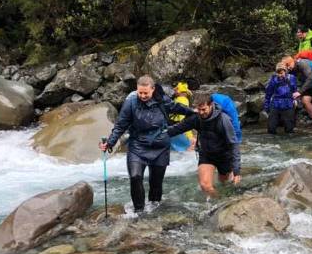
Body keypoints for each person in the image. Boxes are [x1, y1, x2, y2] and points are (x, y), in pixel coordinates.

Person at [99, 75, 193, 214]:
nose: (142, 95)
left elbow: (179, 109)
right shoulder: (130, 103)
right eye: (140, 92)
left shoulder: (162, 100)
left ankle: (154, 210)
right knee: (135, 177)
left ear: (153, 89)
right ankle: (139, 212)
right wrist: (109, 143)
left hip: (160, 146)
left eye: (146, 93)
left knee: (156, 183)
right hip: (137, 146)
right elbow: (120, 126)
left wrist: (195, 114)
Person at [166, 93, 241, 198]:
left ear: (211, 105)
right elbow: (177, 129)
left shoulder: (223, 120)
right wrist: (156, 135)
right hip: (206, 155)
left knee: (225, 184)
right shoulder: (196, 117)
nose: (201, 113)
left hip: (224, 156)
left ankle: (227, 200)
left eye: (204, 109)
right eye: (199, 109)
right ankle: (219, 202)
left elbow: (233, 144)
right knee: (205, 185)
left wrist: (236, 170)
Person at [281, 55, 312, 130]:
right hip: (309, 82)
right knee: (305, 100)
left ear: (292, 62)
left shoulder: (302, 63)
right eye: (286, 66)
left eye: (288, 65)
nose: (287, 67)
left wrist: (300, 92)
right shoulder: (291, 69)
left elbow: (311, 78)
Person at [264, 62, 298, 135]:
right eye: (278, 72)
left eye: (282, 72)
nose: (280, 74)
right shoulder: (273, 80)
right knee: (271, 129)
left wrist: (295, 100)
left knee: (289, 130)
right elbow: (268, 94)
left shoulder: (291, 78)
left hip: (288, 104)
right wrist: (266, 107)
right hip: (276, 104)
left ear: (285, 71)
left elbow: (295, 91)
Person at [170, 82, 196, 151]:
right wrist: (190, 136)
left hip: (173, 129)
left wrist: (189, 136)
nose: (174, 91)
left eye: (176, 89)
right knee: (186, 150)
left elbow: (184, 119)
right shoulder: (182, 100)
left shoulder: (179, 100)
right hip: (176, 130)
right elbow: (185, 120)